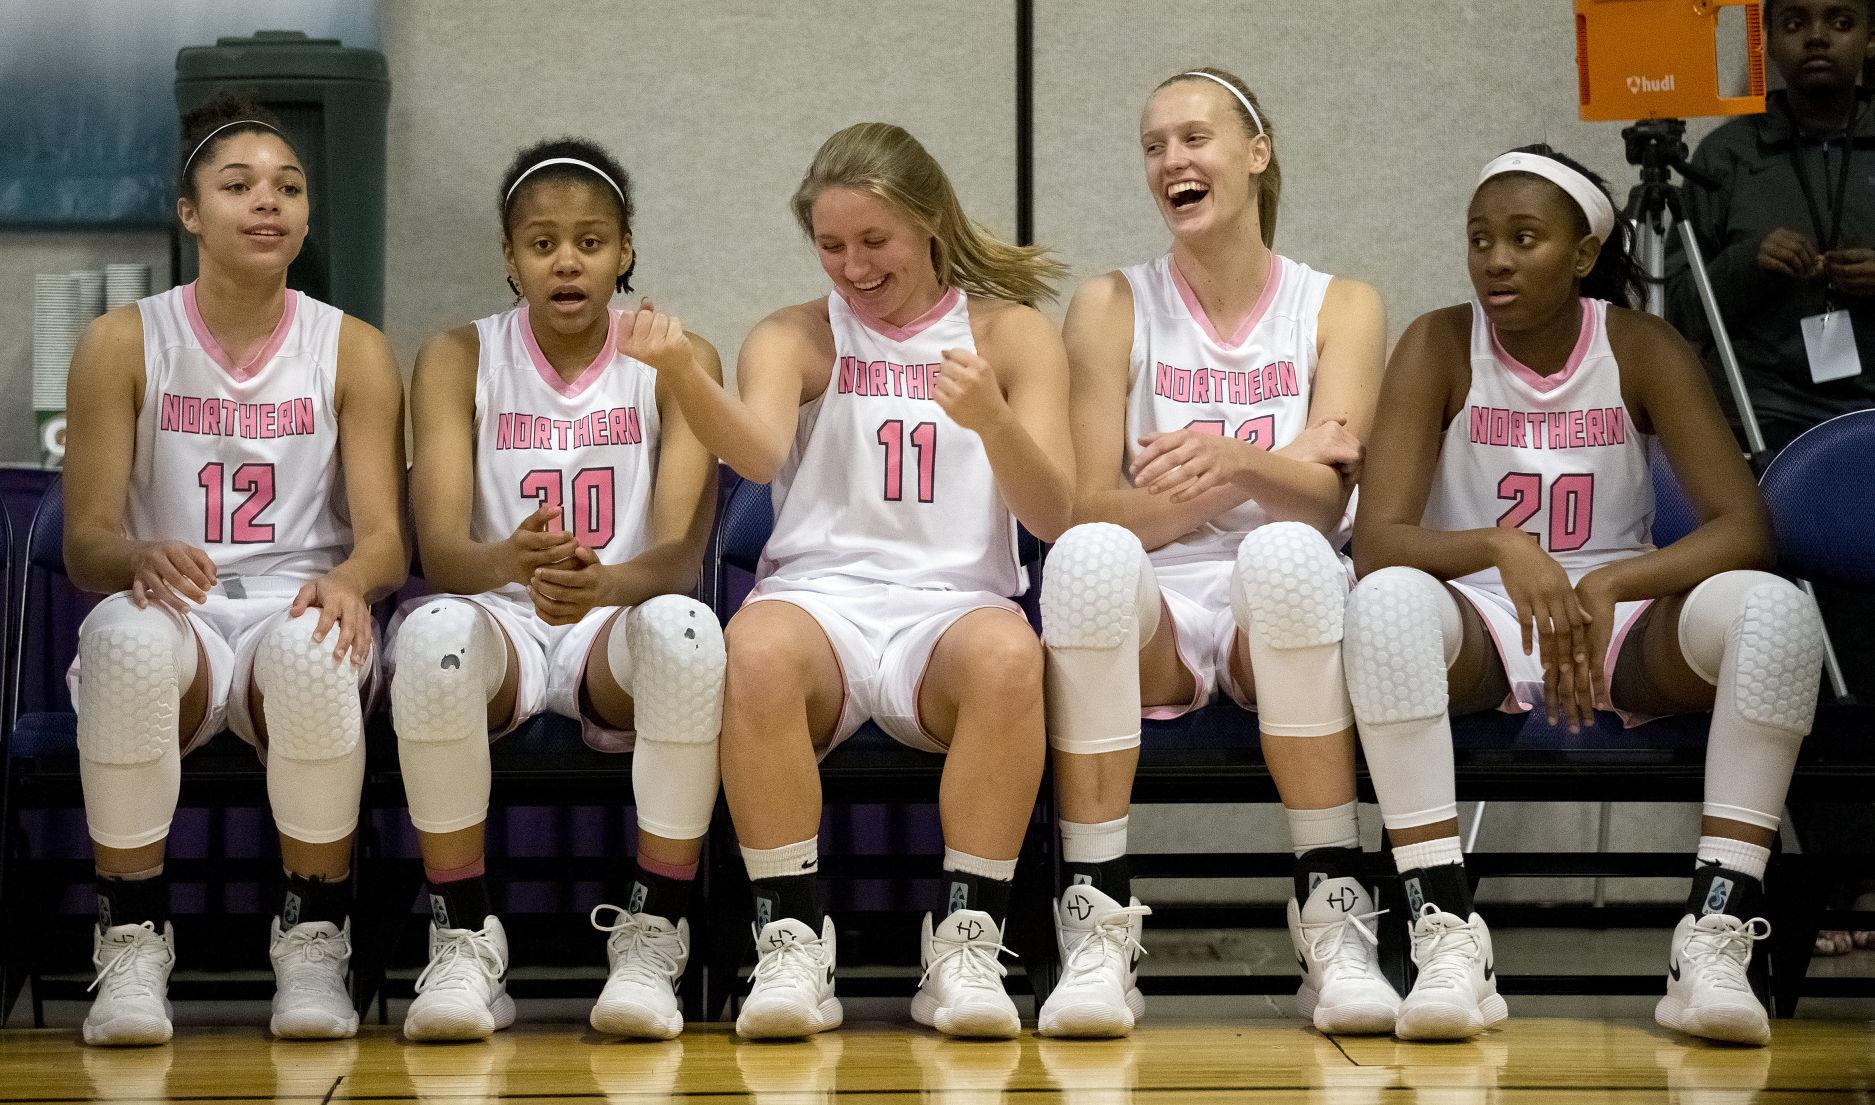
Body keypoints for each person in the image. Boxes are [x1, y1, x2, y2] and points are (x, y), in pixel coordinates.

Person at [1346, 145, 1826, 1044]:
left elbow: (1742, 526)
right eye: (1479, 238)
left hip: (1621, 621)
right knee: (1382, 604)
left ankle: (1714, 933)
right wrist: (1499, 545)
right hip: (1482, 616)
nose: (1494, 258)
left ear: (1580, 251)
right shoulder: (1437, 340)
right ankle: (1445, 929)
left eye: (1523, 237)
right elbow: (1379, 543)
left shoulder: (1640, 345)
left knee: (1776, 611)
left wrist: (1612, 578)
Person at [654, 121, 1073, 1039]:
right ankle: (790, 942)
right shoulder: (797, 333)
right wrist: (685, 373)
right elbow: (757, 450)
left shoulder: (1012, 335)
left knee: (1011, 660)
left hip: (953, 609)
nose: (852, 266)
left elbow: (1053, 516)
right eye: (831, 245)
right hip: (822, 604)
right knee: (753, 652)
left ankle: (968, 942)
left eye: (873, 241)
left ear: (927, 222)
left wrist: (994, 420)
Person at [1038, 67, 1388, 1038]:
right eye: (1153, 145)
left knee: (1287, 558)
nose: (1171, 162)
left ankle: (1334, 916)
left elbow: (1325, 502)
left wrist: (1230, 463)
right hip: (1153, 600)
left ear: (1257, 151)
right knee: (1089, 562)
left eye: (1194, 137)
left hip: (1284, 595)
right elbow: (1085, 509)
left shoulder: (1340, 304)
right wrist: (1260, 467)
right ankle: (1097, 926)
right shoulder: (1113, 303)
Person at [62, 94, 408, 1044]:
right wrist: (136, 549)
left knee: (313, 649)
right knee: (127, 641)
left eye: (289, 187)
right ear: (189, 213)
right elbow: (84, 542)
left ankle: (313, 938)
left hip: (287, 605)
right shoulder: (120, 342)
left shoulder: (354, 348)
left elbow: (385, 539)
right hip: (170, 609)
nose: (269, 203)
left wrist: (352, 579)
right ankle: (130, 938)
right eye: (239, 185)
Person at [388, 138, 725, 1041]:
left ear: (625, 251)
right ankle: (462, 938)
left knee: (688, 631)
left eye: (589, 240)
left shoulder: (679, 357)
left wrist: (602, 582)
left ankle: (653, 930)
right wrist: (510, 562)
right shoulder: (456, 356)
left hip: (612, 622)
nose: (566, 260)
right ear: (509, 259)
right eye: (541, 243)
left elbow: (678, 561)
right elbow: (442, 554)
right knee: (427, 637)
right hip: (496, 616)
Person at [1667, 0, 1875, 452]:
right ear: (1767, 42)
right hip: (1755, 416)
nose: (1816, 37)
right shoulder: (1724, 157)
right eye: (1794, 23)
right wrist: (1746, 265)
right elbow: (1676, 316)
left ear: (1870, 37)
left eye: (1841, 22)